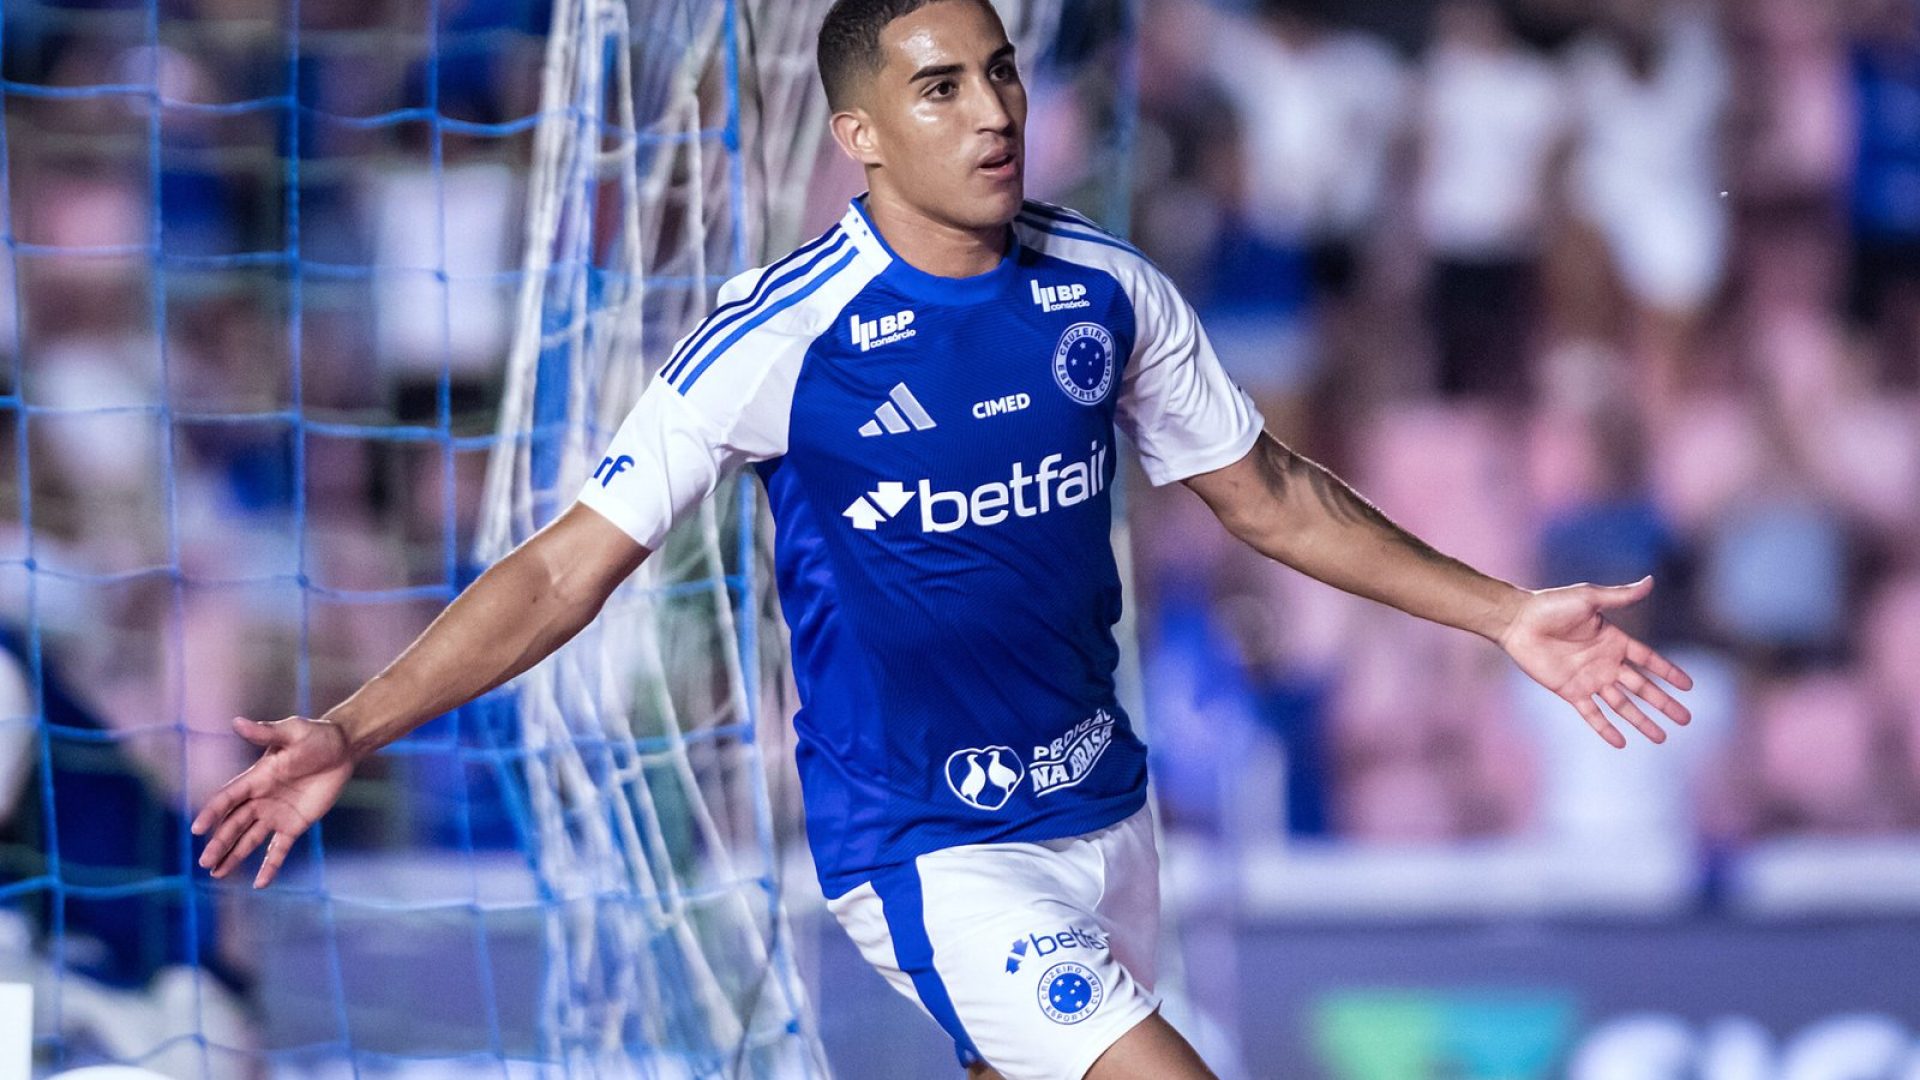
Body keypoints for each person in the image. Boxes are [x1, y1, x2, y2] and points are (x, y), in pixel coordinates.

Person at [190, 1, 1696, 1077]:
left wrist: (1502, 613)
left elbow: (1271, 493)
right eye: (938, 88)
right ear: (857, 130)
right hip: (926, 843)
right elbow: (561, 569)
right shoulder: (777, 339)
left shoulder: (1106, 292)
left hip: (1106, 810)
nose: (989, 110)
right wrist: (351, 724)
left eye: (999, 74)